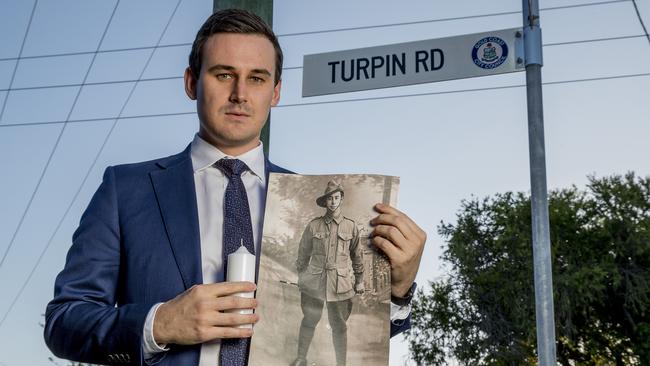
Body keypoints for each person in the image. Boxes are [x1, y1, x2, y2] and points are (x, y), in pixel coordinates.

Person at [44, 9, 426, 366]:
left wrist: (397, 292)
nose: (240, 93)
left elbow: (347, 339)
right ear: (192, 82)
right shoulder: (125, 189)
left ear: (275, 92)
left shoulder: (306, 200)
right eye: (224, 74)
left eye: (257, 78)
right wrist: (158, 324)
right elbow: (64, 321)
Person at [293, 180, 364, 366]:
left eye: (336, 198)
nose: (333, 202)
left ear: (341, 199)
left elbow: (357, 256)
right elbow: (303, 252)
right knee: (309, 319)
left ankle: (341, 364)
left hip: (339, 284)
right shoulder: (314, 225)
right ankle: (301, 358)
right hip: (314, 282)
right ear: (325, 202)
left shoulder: (351, 227)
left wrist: (360, 280)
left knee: (339, 326)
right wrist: (302, 275)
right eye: (329, 199)